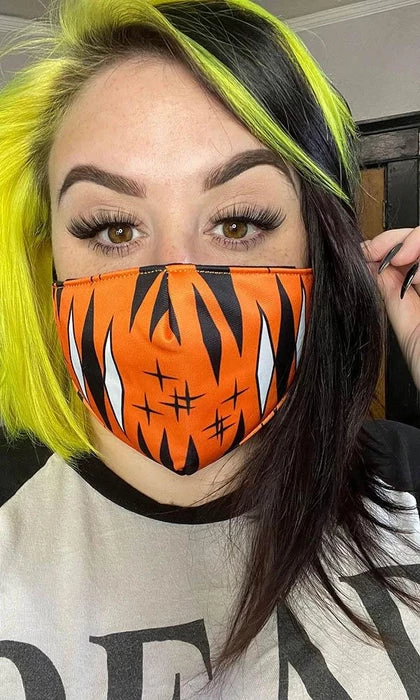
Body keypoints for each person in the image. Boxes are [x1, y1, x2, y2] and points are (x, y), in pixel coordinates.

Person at [0, 0, 419, 696]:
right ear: (47, 267)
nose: (177, 297)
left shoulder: (407, 483)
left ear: (319, 251)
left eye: (238, 223)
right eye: (112, 229)